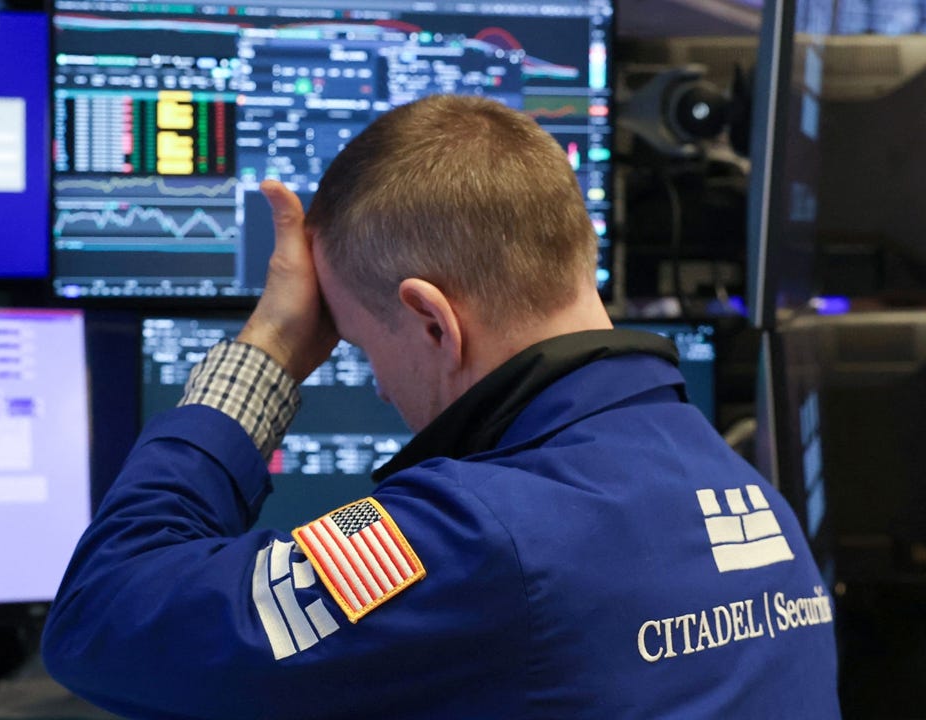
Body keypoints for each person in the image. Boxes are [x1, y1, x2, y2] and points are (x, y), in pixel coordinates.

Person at [41, 94, 840, 719]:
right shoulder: (746, 495)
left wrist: (272, 350)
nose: (381, 388)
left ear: (432, 320)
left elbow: (101, 617)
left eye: (354, 346)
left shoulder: (470, 536)